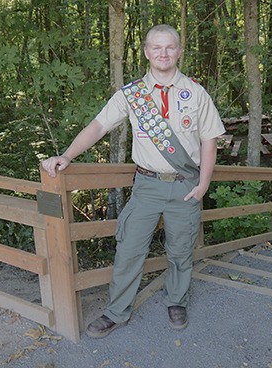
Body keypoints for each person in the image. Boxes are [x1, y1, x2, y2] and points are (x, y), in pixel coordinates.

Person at [41, 24, 225, 338]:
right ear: (146, 51)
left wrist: (204, 184)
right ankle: (116, 311)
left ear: (179, 51)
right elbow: (98, 126)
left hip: (186, 185)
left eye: (169, 47)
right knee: (129, 249)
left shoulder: (196, 92)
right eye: (156, 47)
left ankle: (176, 300)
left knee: (181, 250)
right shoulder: (133, 94)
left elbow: (210, 140)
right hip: (147, 186)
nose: (163, 53)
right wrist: (67, 155)